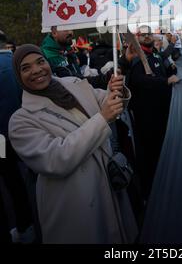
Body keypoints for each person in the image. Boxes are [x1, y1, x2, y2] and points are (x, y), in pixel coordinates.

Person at [8, 44, 137, 244]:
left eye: (40, 61)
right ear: (18, 75)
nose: (36, 70)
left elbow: (106, 103)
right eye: (26, 68)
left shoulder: (74, 84)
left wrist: (115, 90)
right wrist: (103, 118)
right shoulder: (21, 121)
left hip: (107, 184)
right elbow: (56, 159)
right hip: (75, 201)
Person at [120, 26, 180, 200]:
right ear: (137, 38)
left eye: (148, 33)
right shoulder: (136, 57)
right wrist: (165, 81)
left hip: (161, 110)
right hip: (146, 115)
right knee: (150, 154)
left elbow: (165, 67)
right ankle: (153, 192)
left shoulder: (155, 54)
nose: (146, 36)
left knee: (163, 148)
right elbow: (139, 80)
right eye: (142, 34)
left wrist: (172, 70)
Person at [0, 32, 35, 243]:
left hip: (1, 138)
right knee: (22, 179)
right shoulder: (16, 63)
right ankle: (28, 224)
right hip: (24, 130)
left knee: (8, 179)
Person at [41, 26, 110, 89]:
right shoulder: (45, 56)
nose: (71, 32)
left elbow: (78, 76)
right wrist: (104, 79)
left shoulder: (69, 50)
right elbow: (74, 82)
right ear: (54, 33)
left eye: (71, 28)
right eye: (66, 29)